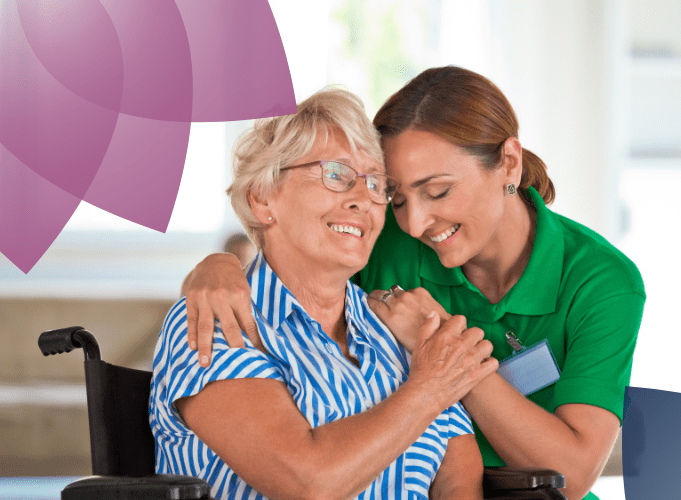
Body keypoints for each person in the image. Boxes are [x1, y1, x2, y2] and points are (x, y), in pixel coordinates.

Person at [183, 67, 645, 500]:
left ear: (508, 163)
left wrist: (442, 345)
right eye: (397, 198)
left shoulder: (601, 281)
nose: (416, 222)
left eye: (438, 191)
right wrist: (218, 264)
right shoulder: (385, 241)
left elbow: (573, 473)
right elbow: (291, 255)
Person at [150, 87, 497, 500]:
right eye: (335, 174)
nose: (361, 201)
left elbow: (458, 456)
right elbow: (309, 483)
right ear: (261, 199)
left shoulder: (388, 325)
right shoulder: (217, 320)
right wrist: (428, 388)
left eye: (375, 184)